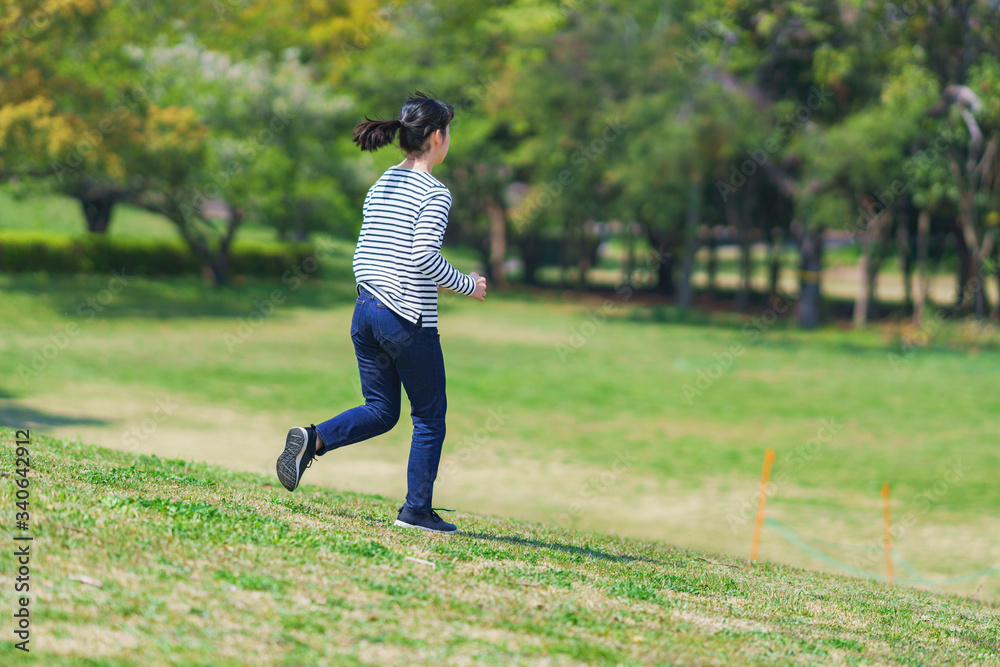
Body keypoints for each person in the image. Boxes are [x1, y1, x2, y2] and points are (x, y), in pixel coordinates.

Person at [275, 92, 487, 534]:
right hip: (406, 319)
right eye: (448, 132)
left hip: (365, 310)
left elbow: (369, 249)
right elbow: (424, 257)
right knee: (429, 416)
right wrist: (468, 284)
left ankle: (313, 439)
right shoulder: (435, 191)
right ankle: (416, 511)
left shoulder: (384, 182)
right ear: (435, 137)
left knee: (382, 409)